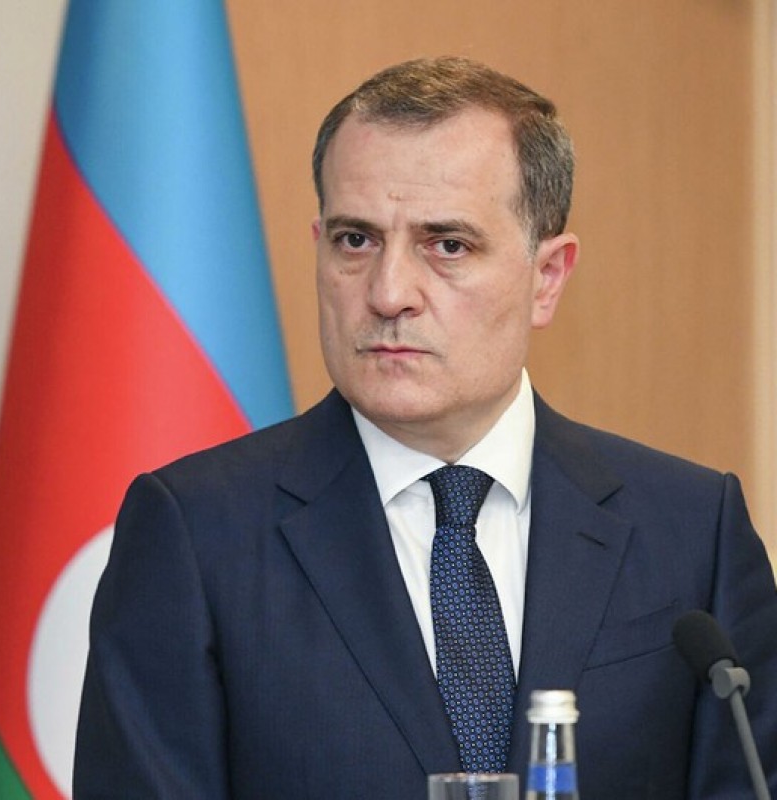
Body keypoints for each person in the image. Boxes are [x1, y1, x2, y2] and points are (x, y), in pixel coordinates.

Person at [73, 56, 777, 798]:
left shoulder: (691, 531)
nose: (388, 293)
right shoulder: (195, 533)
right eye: (356, 240)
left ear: (547, 277)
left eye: (448, 245)